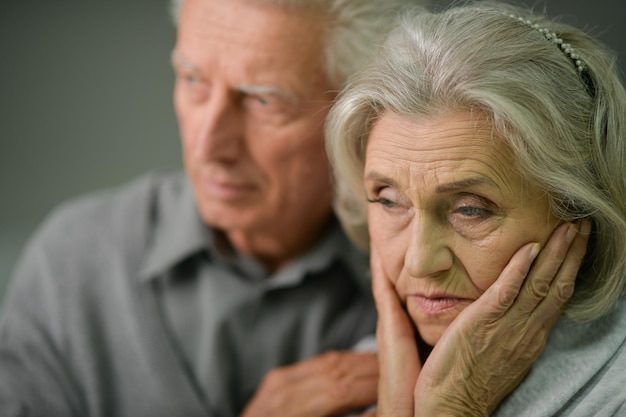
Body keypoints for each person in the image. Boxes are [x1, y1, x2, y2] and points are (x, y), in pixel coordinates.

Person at [0, 0, 590, 416]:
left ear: (359, 109)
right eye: (192, 80)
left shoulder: (442, 290)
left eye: (263, 101)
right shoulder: (71, 260)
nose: (208, 147)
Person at [326, 2, 626, 416]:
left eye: (470, 210)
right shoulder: (358, 377)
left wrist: (454, 406)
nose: (419, 262)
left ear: (576, 211)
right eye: (390, 201)